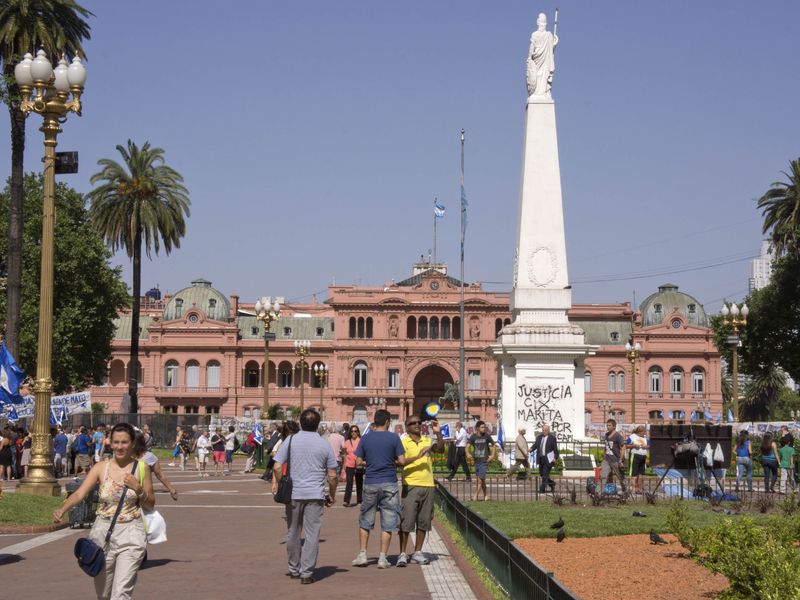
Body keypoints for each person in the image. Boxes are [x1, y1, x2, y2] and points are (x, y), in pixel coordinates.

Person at [53, 423, 154, 600]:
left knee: (121, 593)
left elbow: (150, 504)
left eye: (124, 442)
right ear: (110, 443)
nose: (120, 447)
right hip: (103, 534)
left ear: (132, 444)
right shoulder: (101, 468)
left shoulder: (141, 468)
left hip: (131, 533)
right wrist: (63, 509)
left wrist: (138, 488)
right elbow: (79, 493)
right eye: (116, 442)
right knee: (104, 594)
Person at [272, 409, 338, 585]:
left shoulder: (291, 440)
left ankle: (294, 568)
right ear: (318, 424)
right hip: (315, 494)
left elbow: (277, 467)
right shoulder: (324, 444)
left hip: (294, 493)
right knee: (312, 534)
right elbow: (332, 475)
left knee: (293, 532)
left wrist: (281, 484)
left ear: (301, 422)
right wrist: (331, 494)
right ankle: (306, 572)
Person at [352, 409, 406, 569]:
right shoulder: (394, 438)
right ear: (388, 422)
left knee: (365, 520)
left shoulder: (366, 438)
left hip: (370, 482)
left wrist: (370, 462)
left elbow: (358, 461)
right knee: (388, 521)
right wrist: (391, 461)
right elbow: (402, 461)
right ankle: (383, 558)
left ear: (374, 421)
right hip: (389, 482)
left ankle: (363, 554)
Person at [397, 416, 443, 567]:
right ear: (406, 427)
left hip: (428, 485)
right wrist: (418, 456)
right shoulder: (403, 442)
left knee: (424, 520)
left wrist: (438, 433)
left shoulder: (427, 440)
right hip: (410, 484)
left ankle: (417, 552)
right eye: (413, 423)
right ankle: (403, 553)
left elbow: (440, 449)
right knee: (406, 520)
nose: (417, 425)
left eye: (419, 422)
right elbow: (399, 462)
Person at [134, 431, 179, 501]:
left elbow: (159, 474)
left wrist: (171, 489)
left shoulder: (149, 457)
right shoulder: (125, 456)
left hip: (142, 494)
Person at [526, 12, 558, 97]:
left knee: (538, 75)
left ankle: (538, 93)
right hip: (541, 61)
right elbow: (551, 47)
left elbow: (531, 47)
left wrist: (529, 58)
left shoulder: (536, 34)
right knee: (542, 76)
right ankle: (543, 93)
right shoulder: (549, 35)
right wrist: (554, 44)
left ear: (537, 22)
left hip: (539, 61)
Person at [467, 420, 496, 501]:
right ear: (477, 428)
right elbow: (467, 446)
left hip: (484, 461)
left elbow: (494, 445)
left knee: (479, 480)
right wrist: (468, 453)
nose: (484, 429)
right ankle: (486, 495)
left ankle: (475, 497)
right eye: (482, 427)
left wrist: (492, 455)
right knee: (482, 479)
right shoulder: (473, 437)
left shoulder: (487, 436)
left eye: (484, 427)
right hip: (476, 461)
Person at [532, 424, 559, 493]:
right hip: (541, 458)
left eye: (545, 430)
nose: (544, 432)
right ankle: (551, 484)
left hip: (548, 459)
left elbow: (555, 449)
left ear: (548, 431)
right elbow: (536, 445)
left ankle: (542, 489)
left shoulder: (552, 438)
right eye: (543, 430)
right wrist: (530, 449)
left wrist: (555, 458)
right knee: (542, 474)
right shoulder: (539, 437)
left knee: (545, 474)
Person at [601, 419, 626, 492]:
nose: (607, 427)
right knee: (603, 477)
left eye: (609, 425)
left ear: (614, 426)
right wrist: (603, 458)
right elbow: (605, 447)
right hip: (607, 459)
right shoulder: (606, 435)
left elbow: (623, 447)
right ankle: (598, 493)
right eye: (607, 425)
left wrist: (621, 460)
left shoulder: (618, 436)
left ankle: (625, 492)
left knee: (621, 477)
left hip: (615, 460)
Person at [343, 425, 364, 507]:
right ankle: (346, 501)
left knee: (359, 482)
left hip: (358, 464)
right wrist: (344, 464)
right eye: (352, 431)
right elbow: (345, 454)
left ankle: (359, 500)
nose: (353, 433)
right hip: (349, 464)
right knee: (349, 482)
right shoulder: (347, 442)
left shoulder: (361, 441)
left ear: (358, 432)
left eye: (355, 431)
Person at [625, 425, 648, 494]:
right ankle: (634, 489)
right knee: (634, 473)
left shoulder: (645, 437)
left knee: (641, 473)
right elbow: (626, 446)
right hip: (635, 455)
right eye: (643, 432)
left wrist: (646, 446)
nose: (644, 434)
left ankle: (639, 489)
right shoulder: (632, 436)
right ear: (639, 432)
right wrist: (634, 446)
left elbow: (649, 445)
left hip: (643, 456)